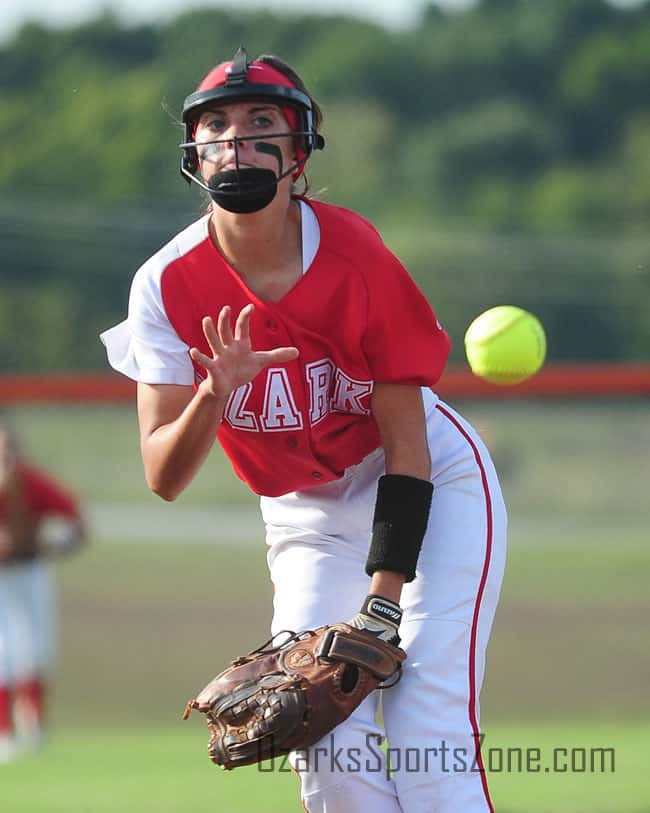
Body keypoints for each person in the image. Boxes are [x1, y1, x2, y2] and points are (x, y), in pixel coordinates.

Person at [101, 47, 507, 813]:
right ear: (193, 154)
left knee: (426, 727)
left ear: (298, 151)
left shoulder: (354, 252)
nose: (236, 140)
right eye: (215, 125)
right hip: (303, 513)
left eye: (262, 123)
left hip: (423, 482)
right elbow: (163, 473)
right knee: (320, 736)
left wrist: (383, 599)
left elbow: (407, 441)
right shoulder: (165, 283)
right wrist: (214, 394)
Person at [0, 425, 86, 762]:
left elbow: (75, 519)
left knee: (35, 649)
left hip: (30, 570)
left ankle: (33, 724)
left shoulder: (31, 483)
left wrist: (52, 543)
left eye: (10, 451)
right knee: (3, 651)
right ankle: (5, 731)